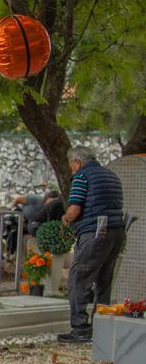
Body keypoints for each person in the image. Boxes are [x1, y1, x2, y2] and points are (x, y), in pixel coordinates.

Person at [58, 146, 125, 343]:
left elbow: (74, 210)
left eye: (71, 166)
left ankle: (80, 329)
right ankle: (101, 327)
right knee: (104, 280)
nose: (71, 170)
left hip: (95, 233)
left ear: (77, 162)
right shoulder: (111, 176)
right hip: (116, 232)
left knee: (78, 278)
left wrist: (65, 219)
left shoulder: (82, 176)